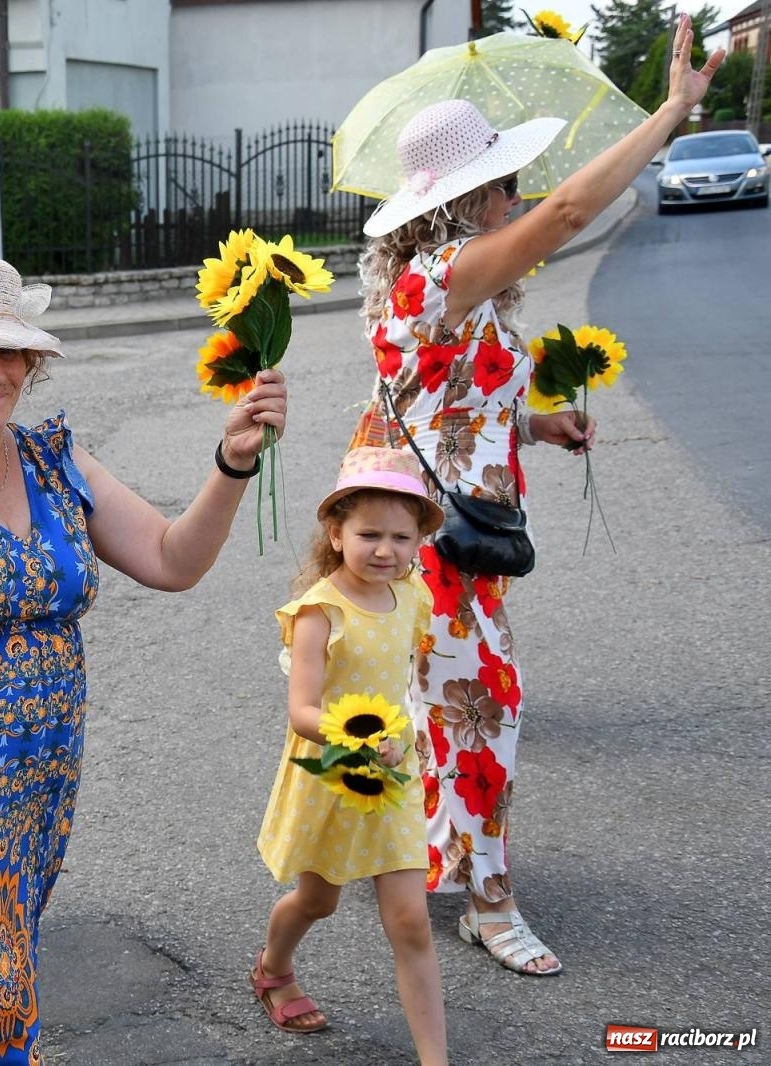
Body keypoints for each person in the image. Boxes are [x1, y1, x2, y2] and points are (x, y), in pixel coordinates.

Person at [0, 249, 288, 1063]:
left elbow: (172, 561)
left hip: (37, 775)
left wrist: (233, 461)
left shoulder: (52, 458)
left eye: (10, 349)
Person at [350, 15, 722, 976]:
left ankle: (418, 859)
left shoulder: (452, 291)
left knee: (436, 707)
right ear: (466, 198)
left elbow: (451, 410)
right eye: (504, 181)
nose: (519, 195)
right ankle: (489, 900)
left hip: (456, 536)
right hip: (430, 546)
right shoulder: (432, 283)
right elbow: (564, 218)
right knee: (485, 705)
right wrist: (671, 114)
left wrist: (536, 427)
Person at [254, 447, 446, 1062]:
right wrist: (358, 739)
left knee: (410, 920)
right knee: (319, 899)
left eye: (401, 536)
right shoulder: (320, 612)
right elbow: (302, 711)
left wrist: (400, 736)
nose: (385, 550)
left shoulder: (412, 594)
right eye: (368, 534)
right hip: (331, 772)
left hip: (393, 774)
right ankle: (273, 968)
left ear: (418, 541)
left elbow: (401, 674)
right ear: (335, 534)